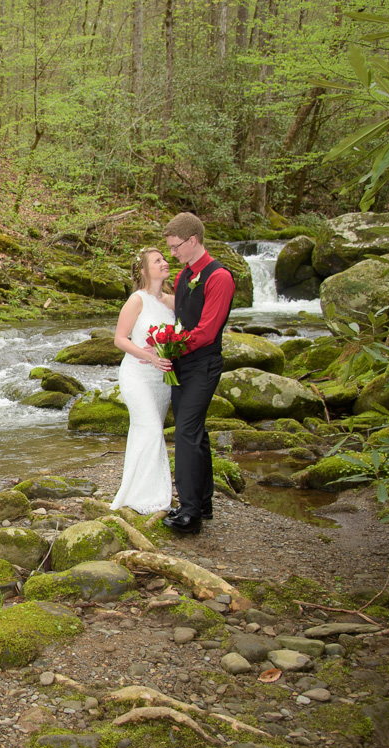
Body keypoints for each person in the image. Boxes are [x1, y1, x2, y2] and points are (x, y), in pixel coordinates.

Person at [161, 212, 236, 534]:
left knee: (185, 434)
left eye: (176, 247)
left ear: (193, 241)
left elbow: (206, 332)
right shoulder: (182, 278)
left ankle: (189, 512)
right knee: (195, 433)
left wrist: (171, 347)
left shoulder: (220, 278)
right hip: (180, 364)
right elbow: (179, 318)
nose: (173, 254)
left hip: (203, 364)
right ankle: (203, 503)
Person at [109, 247, 176, 514]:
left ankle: (136, 489)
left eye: (164, 258)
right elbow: (120, 339)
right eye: (157, 260)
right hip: (137, 375)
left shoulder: (171, 301)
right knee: (149, 428)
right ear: (145, 270)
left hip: (161, 380)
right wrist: (148, 357)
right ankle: (152, 497)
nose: (165, 262)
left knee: (146, 431)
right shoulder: (137, 300)